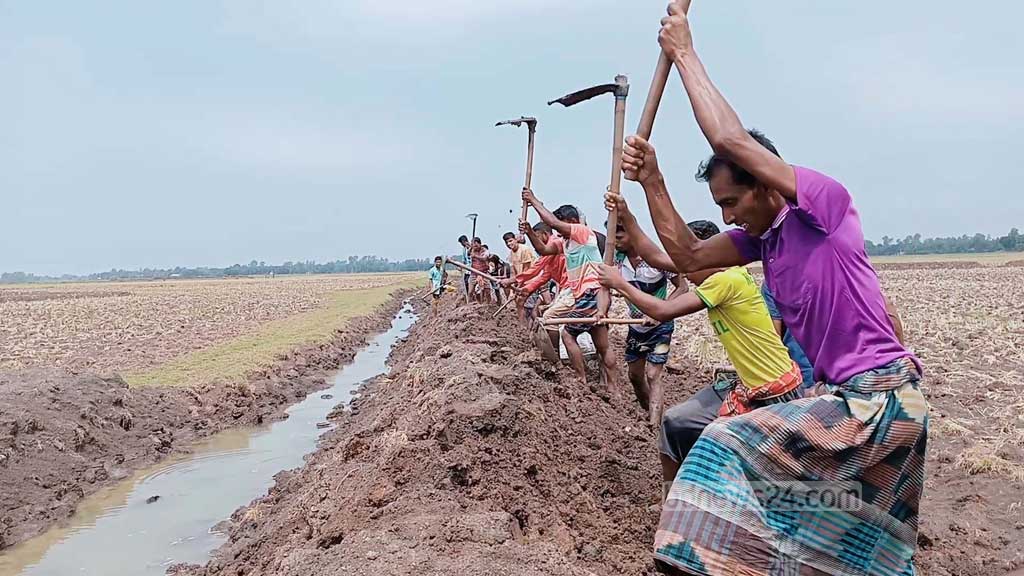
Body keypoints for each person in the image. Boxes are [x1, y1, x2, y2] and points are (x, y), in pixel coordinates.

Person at [618, 7, 928, 575]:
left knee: (721, 445)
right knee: (863, 547)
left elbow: (728, 138)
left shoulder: (824, 206)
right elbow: (687, 256)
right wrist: (653, 183)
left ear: (765, 183)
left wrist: (684, 51)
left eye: (731, 203)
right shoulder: (767, 242)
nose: (729, 216)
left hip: (880, 402)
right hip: (849, 399)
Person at [598, 216, 802, 497]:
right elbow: (654, 255)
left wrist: (619, 283)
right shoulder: (717, 273)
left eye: (689, 257)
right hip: (747, 383)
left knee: (749, 462)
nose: (685, 267)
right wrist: (627, 213)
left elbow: (662, 311)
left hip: (772, 391)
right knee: (674, 423)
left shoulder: (725, 281)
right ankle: (674, 500)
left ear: (708, 254)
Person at [522, 188, 615, 388]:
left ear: (571, 221)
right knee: (600, 342)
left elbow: (554, 223)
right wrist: (529, 231)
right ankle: (610, 386)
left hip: (592, 291)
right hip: (583, 294)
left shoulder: (581, 233)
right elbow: (543, 250)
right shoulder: (566, 243)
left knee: (568, 334)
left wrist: (533, 200)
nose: (557, 233)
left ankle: (581, 379)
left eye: (560, 228)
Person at [607, 218, 685, 427]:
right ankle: (647, 410)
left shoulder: (655, 258)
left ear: (632, 233)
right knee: (634, 375)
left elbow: (682, 288)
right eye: (612, 237)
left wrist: (660, 311)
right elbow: (605, 289)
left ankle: (654, 425)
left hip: (661, 328)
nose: (615, 241)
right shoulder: (616, 261)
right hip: (636, 328)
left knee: (653, 374)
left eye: (619, 236)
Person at [508, 222, 570, 347]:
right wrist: (527, 289)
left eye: (537, 238)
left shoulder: (554, 244)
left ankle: (556, 353)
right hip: (565, 287)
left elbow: (535, 269)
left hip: (571, 287)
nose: (536, 245)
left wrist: (510, 281)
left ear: (545, 234)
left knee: (550, 317)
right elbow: (544, 275)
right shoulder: (549, 250)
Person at [504, 231, 538, 322]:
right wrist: (512, 291)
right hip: (522, 281)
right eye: (507, 242)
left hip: (533, 280)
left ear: (515, 240)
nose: (509, 244)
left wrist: (518, 287)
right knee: (519, 303)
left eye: (511, 241)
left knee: (530, 306)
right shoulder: (511, 254)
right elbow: (513, 273)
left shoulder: (524, 250)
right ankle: (522, 327)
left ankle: (536, 325)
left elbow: (526, 271)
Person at [469, 237, 492, 304]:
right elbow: (468, 253)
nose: (475, 247)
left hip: (484, 273)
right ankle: (470, 305)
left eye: (476, 245)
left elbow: (484, 258)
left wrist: (475, 256)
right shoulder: (471, 250)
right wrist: (471, 249)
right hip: (474, 273)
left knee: (487, 291)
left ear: (480, 244)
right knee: (470, 292)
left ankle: (488, 304)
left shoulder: (485, 250)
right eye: (474, 245)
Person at [457, 235, 472, 304]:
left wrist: (471, 249)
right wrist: (461, 266)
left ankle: (472, 296)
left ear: (464, 241)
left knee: (472, 283)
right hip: (467, 268)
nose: (461, 244)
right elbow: (464, 260)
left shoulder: (472, 246)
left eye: (461, 243)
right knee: (466, 282)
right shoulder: (464, 249)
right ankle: (468, 297)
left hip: (474, 268)